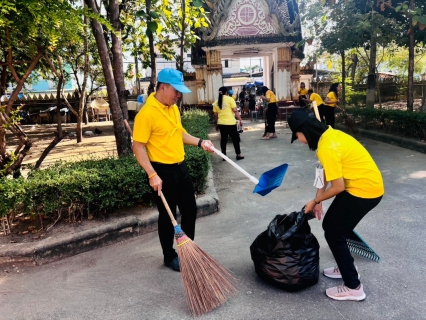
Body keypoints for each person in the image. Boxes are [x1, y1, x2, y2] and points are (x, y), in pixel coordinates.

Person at [288, 109, 384, 301]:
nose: (298, 140)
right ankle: (346, 265)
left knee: (334, 232)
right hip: (358, 186)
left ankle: (353, 287)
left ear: (305, 131)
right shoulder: (329, 135)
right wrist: (319, 200)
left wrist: (314, 201)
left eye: (297, 135)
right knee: (329, 225)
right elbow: (324, 172)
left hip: (364, 191)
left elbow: (338, 186)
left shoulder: (327, 147)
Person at [132, 68, 214, 272]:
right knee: (168, 217)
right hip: (161, 171)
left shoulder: (173, 108)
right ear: (163, 87)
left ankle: (188, 251)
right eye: (175, 91)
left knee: (190, 210)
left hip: (180, 167)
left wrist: (200, 142)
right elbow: (138, 146)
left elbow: (180, 134)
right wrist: (152, 174)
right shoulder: (147, 114)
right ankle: (169, 256)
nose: (179, 95)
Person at [213, 86, 244, 160]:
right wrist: (240, 120)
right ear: (226, 92)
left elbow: (215, 115)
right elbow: (235, 111)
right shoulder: (230, 99)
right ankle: (238, 154)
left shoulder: (216, 102)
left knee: (223, 140)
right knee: (235, 139)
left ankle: (224, 156)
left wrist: (217, 124)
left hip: (221, 124)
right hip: (231, 123)